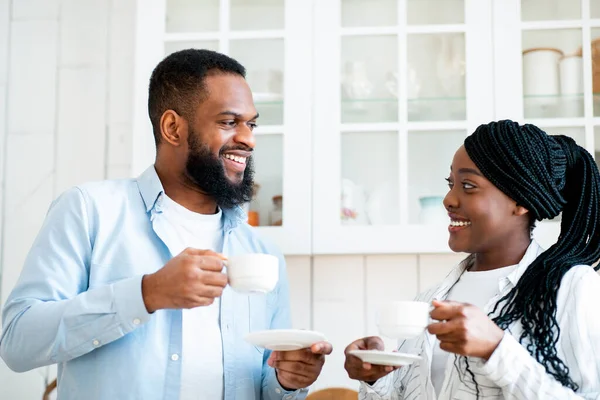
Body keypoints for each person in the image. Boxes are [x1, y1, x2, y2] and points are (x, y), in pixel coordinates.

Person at [0, 49, 332, 400]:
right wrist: (147, 293)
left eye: (251, 123)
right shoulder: (89, 211)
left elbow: (267, 384)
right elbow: (17, 341)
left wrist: (288, 381)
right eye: (228, 122)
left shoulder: (262, 253)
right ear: (173, 128)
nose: (248, 139)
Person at [344, 120, 600, 399]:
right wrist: (375, 380)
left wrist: (496, 349)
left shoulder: (573, 288)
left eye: (468, 185)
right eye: (451, 183)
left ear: (521, 200)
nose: (448, 200)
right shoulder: (428, 301)